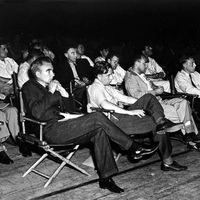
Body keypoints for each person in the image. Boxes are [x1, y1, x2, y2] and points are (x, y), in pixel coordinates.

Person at [21, 56, 159, 193]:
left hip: (66, 125)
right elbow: (37, 113)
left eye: (52, 71)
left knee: (99, 130)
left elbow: (71, 109)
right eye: (49, 71)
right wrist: (51, 92)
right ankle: (132, 146)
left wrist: (64, 94)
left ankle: (106, 178)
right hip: (50, 130)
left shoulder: (50, 87)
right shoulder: (29, 87)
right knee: (97, 117)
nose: (53, 74)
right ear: (37, 74)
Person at [87, 60, 187, 172]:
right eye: (108, 75)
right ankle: (168, 161)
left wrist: (143, 103)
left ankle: (162, 121)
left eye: (111, 74)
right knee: (156, 124)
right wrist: (130, 112)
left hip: (120, 117)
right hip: (113, 123)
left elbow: (124, 98)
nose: (111, 77)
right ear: (99, 76)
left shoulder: (106, 87)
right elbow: (105, 104)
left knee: (149, 98)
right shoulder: (95, 87)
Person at [125, 52, 200, 150]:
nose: (147, 66)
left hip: (160, 100)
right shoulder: (130, 77)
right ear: (137, 62)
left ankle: (188, 134)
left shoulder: (141, 75)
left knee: (183, 103)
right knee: (185, 112)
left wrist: (156, 87)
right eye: (144, 63)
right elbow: (137, 95)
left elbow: (150, 86)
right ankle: (190, 136)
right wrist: (155, 91)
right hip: (150, 106)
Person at [55, 45, 94, 112]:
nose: (76, 55)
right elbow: (62, 81)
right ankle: (87, 110)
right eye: (73, 53)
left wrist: (87, 78)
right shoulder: (61, 67)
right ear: (66, 55)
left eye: (76, 52)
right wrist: (75, 82)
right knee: (86, 90)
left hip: (86, 86)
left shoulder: (83, 62)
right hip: (74, 90)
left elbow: (92, 73)